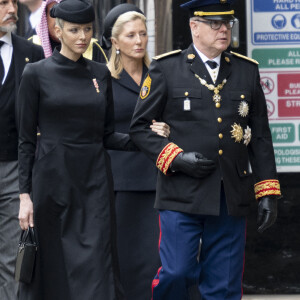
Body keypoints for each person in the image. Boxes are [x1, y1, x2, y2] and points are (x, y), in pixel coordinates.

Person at [130, 0, 282, 299]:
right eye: (215, 23)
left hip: (230, 193)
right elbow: (139, 128)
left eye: (227, 23)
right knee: (177, 272)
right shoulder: (166, 68)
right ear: (194, 27)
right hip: (181, 192)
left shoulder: (245, 70)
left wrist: (268, 192)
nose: (223, 29)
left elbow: (260, 137)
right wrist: (177, 158)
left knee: (224, 283)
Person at [103, 4, 169, 300]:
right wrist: (141, 136)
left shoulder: (160, 74)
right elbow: (98, 132)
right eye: (131, 35)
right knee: (125, 259)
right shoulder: (102, 79)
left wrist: (167, 128)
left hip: (159, 178)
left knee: (159, 260)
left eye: (143, 33)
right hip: (120, 182)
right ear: (115, 42)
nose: (139, 40)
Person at [0, 0, 43, 299]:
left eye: (13, 2)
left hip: (14, 167)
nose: (12, 8)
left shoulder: (33, 53)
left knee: (12, 256)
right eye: (3, 3)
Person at [29, 0, 108, 62]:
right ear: (45, 15)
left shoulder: (93, 47)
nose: (60, 20)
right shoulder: (31, 44)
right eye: (55, 13)